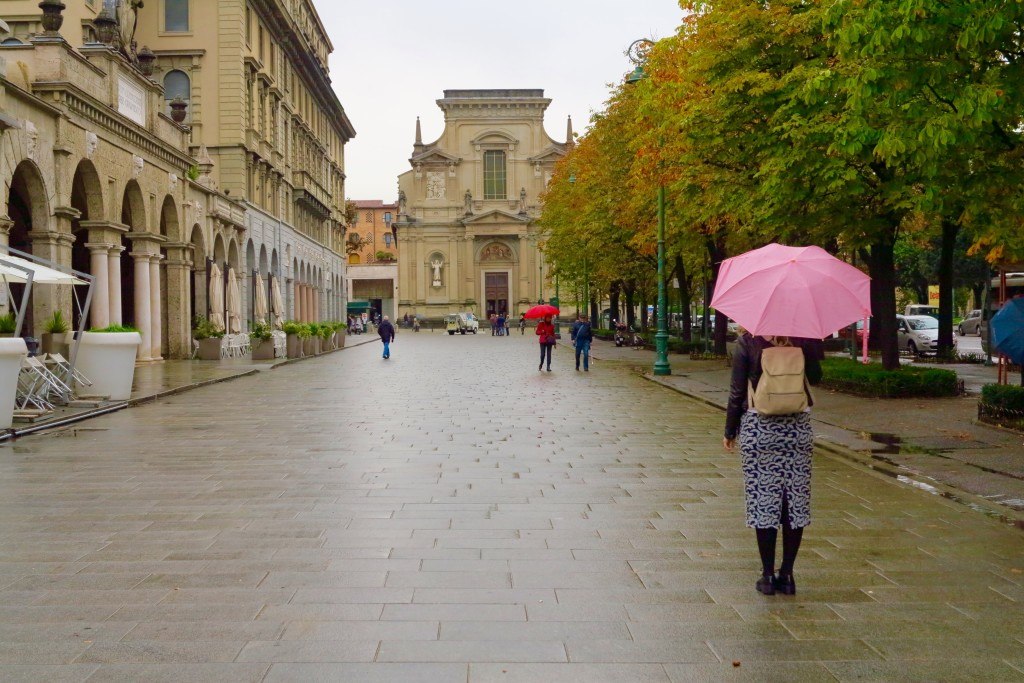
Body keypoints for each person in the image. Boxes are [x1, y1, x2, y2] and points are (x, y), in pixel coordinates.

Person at [724, 333, 822, 597]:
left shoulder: (748, 342)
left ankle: (767, 576)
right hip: (797, 428)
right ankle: (787, 576)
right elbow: (817, 376)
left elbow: (736, 391)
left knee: (764, 499)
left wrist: (730, 431)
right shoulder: (804, 338)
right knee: (795, 501)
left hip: (760, 428)